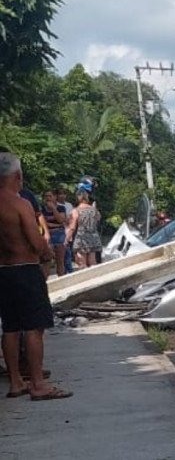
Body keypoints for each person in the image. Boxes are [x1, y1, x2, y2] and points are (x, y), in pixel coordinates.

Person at [0, 152, 72, 400]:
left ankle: (16, 382)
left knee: (10, 328)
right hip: (26, 268)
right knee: (34, 327)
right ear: (17, 176)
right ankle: (38, 383)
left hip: (3, 273)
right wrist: (47, 253)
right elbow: (35, 240)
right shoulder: (20, 204)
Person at [65, 189, 102, 269]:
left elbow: (72, 227)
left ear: (78, 198)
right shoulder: (94, 209)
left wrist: (66, 239)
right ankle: (95, 279)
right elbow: (98, 218)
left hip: (82, 237)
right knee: (93, 261)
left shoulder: (76, 210)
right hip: (94, 236)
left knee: (82, 263)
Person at [42, 190, 68, 277]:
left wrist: (53, 208)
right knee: (47, 261)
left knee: (60, 261)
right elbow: (42, 222)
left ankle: (61, 280)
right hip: (47, 235)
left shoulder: (61, 208)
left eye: (50, 196)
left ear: (55, 197)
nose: (48, 198)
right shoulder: (42, 208)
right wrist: (55, 224)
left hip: (59, 234)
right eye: (46, 196)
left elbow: (61, 220)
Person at [56, 189, 74, 273]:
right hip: (60, 232)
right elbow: (63, 219)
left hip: (69, 231)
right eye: (60, 194)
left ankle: (69, 272)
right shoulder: (56, 206)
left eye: (64, 194)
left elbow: (72, 218)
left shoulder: (69, 205)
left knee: (68, 255)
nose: (62, 196)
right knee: (62, 257)